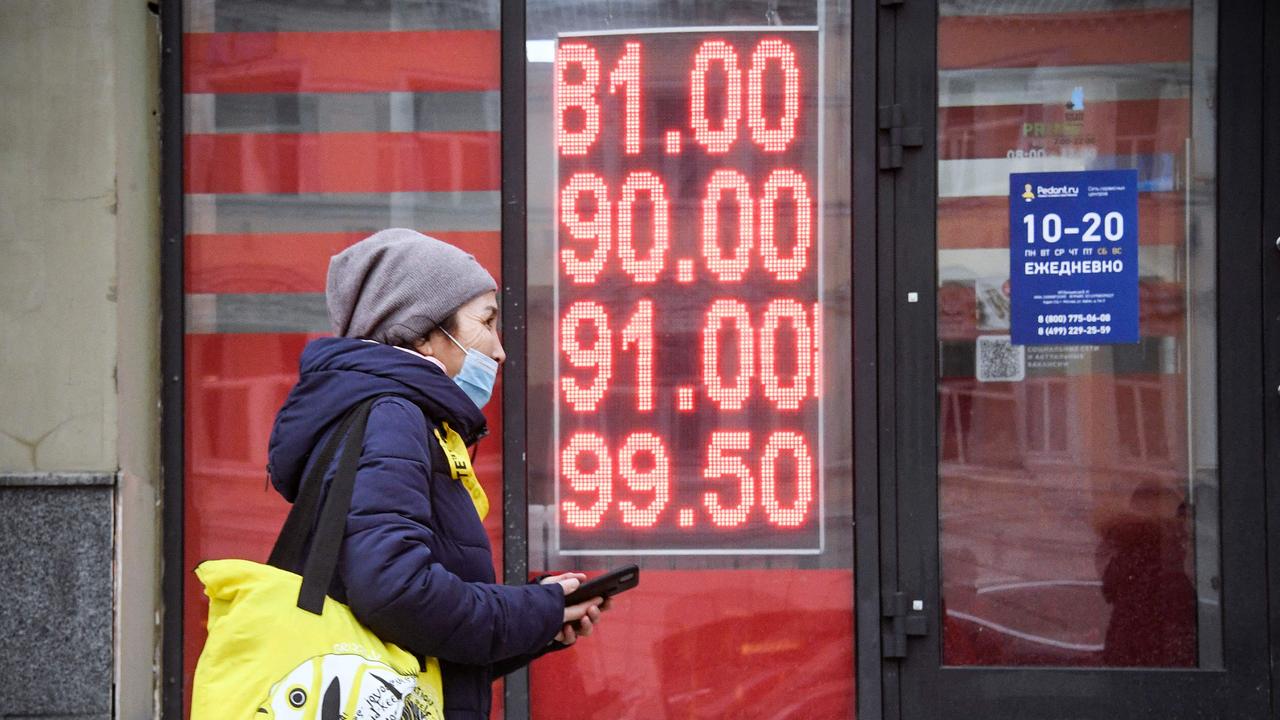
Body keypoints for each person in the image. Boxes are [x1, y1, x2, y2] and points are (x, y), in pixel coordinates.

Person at [267, 228, 605, 719]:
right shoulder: (393, 415)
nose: (499, 350)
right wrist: (535, 609)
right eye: (486, 322)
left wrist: (540, 621)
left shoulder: (396, 417)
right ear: (423, 334)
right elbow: (396, 592)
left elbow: (415, 660)